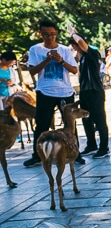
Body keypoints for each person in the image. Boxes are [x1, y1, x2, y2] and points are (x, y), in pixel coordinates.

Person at [23, 20, 82, 168]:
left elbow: (74, 70)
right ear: (40, 34)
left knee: (70, 123)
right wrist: (47, 60)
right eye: (46, 34)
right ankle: (37, 155)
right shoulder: (35, 50)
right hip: (45, 91)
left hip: (65, 91)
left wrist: (61, 61)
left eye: (52, 34)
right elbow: (32, 71)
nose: (49, 37)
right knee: (42, 124)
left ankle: (76, 152)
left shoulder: (64, 50)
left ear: (56, 34)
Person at [68, 29, 109, 158]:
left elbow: (80, 41)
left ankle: (104, 148)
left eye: (74, 45)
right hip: (85, 92)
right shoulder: (83, 58)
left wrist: (73, 33)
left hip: (95, 91)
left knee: (99, 120)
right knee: (86, 119)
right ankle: (91, 144)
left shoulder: (92, 53)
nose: (74, 47)